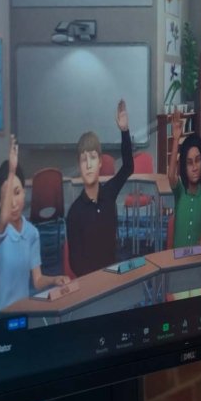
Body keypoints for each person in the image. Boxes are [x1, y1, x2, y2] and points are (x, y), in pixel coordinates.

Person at [0, 135, 69, 318]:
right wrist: (11, 171)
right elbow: (3, 219)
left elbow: (38, 281)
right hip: (0, 319)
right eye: (8, 197)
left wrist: (54, 279)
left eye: (17, 193)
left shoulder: (32, 233)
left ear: (24, 192)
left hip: (23, 316)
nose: (14, 203)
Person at [65, 99, 134, 276]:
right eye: (83, 159)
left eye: (93, 158)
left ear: (101, 162)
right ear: (79, 166)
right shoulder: (74, 213)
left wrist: (125, 131)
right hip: (91, 288)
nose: (88, 165)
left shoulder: (109, 194)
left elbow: (128, 168)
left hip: (113, 279)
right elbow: (75, 264)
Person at [167, 109, 201, 247]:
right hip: (176, 261)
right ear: (184, 167)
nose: (194, 167)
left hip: (195, 262)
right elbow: (171, 176)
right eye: (189, 162)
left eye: (197, 161)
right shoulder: (180, 192)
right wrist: (176, 140)